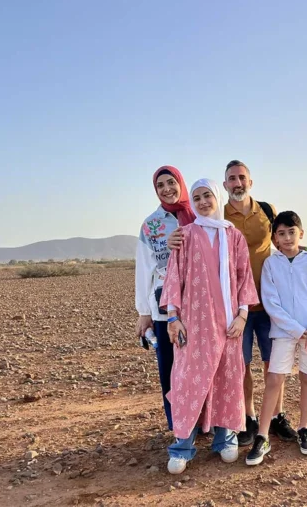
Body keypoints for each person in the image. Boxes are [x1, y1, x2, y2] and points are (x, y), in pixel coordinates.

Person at [168, 160, 307, 446]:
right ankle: (249, 418)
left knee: (272, 364)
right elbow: (191, 238)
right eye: (231, 178)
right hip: (232, 308)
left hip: (269, 304)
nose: (237, 183)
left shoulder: (267, 211)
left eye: (242, 177)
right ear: (224, 184)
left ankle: (278, 416)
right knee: (240, 364)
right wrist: (173, 240)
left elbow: (286, 237)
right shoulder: (218, 213)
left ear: (250, 182)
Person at [159, 178, 260, 475]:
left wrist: (242, 316)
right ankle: (182, 446)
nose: (203, 202)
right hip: (194, 323)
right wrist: (173, 318)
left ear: (217, 198)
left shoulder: (234, 236)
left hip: (229, 325)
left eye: (208, 196)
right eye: (197, 197)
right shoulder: (185, 235)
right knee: (187, 379)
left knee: (226, 378)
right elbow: (174, 277)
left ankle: (224, 437)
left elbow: (243, 277)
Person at [246, 211, 307, 465]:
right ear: (274, 238)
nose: (287, 238)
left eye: (291, 232)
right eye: (281, 234)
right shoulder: (271, 264)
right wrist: (298, 330)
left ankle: (304, 428)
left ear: (301, 234)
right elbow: (271, 304)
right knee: (275, 378)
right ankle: (262, 435)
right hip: (285, 332)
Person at [135, 165, 197, 431]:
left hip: (199, 307)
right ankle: (179, 426)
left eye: (171, 182)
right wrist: (143, 312)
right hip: (164, 311)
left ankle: (203, 421)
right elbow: (144, 268)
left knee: (198, 366)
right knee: (170, 370)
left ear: (181, 183)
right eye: (160, 186)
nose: (167, 189)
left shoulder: (199, 216)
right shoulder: (151, 225)